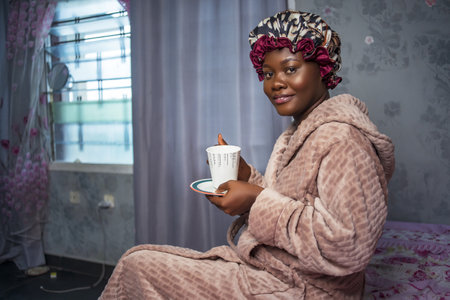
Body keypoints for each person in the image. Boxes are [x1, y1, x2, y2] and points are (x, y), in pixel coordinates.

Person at [100, 10, 395, 299]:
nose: (276, 83)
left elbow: (349, 247)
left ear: (323, 68)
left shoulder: (342, 139)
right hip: (275, 273)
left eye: (290, 69)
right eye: (268, 74)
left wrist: (255, 199)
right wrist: (246, 176)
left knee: (134, 266)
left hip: (304, 290)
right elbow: (290, 200)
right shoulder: (299, 132)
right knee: (139, 263)